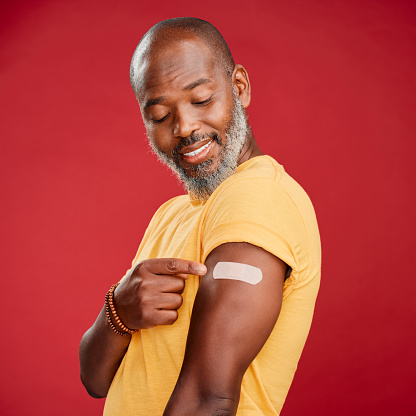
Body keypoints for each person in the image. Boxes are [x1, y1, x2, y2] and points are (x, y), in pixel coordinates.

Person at [79, 17, 321, 416]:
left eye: (202, 99)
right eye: (159, 115)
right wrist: (118, 313)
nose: (185, 127)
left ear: (238, 87)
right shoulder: (171, 214)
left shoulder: (257, 197)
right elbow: (95, 379)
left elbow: (209, 400)